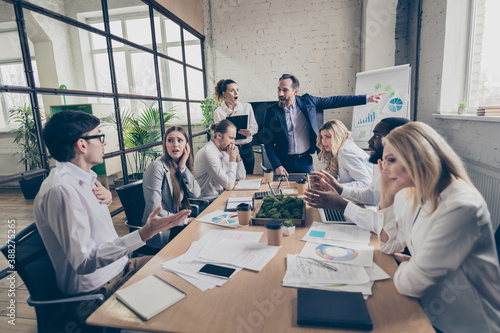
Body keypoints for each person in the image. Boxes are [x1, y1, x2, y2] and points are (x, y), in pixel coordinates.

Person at [34, 111, 191, 329]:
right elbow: (83, 261)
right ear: (82, 144)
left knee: (185, 272)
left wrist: (107, 201)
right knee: (176, 316)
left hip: (122, 269)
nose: (104, 142)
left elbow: (92, 228)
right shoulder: (62, 190)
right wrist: (145, 233)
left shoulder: (86, 179)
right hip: (97, 292)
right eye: (99, 136)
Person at [378, 122, 500, 332]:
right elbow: (389, 246)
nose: (384, 168)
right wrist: (387, 196)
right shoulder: (417, 195)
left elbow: (412, 284)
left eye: (391, 160)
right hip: (431, 310)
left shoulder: (460, 207)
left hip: (465, 324)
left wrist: (413, 265)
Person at [262, 74, 385, 176]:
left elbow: (335, 101)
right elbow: (267, 142)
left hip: (304, 160)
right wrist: (277, 165)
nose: (280, 94)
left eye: (285, 90)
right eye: (279, 89)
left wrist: (367, 99)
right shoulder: (271, 111)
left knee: (308, 192)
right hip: (283, 162)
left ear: (295, 91)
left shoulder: (308, 102)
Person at [304, 117, 410, 233]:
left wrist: (340, 204)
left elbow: (387, 229)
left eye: (377, 137)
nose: (369, 141)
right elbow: (371, 194)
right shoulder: (380, 163)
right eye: (322, 137)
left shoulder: (406, 182)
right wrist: (337, 187)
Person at [141, 126, 201, 249]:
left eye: (180, 140)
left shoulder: (180, 166)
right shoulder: (156, 167)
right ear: (165, 145)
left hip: (175, 224)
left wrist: (183, 167)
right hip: (162, 231)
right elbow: (154, 210)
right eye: (170, 140)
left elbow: (196, 193)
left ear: (186, 145)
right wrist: (183, 221)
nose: (175, 145)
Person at [213, 79, 258, 174]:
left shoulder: (247, 107)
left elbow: (255, 126)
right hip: (230, 149)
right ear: (224, 94)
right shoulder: (218, 112)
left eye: (237, 90)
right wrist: (229, 121)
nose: (236, 93)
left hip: (247, 148)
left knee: (248, 175)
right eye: (232, 90)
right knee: (232, 176)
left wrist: (250, 132)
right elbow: (219, 136)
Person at [194, 119, 246, 201]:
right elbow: (229, 185)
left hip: (221, 196)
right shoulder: (207, 153)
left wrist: (237, 156)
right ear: (219, 136)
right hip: (207, 202)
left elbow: (241, 176)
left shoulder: (225, 150)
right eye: (231, 138)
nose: (233, 143)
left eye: (234, 139)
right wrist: (232, 158)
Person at [317, 119, 372, 188]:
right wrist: (328, 182)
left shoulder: (346, 152)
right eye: (322, 137)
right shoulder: (344, 148)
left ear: (338, 136)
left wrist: (334, 186)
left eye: (328, 137)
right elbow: (349, 180)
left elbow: (365, 183)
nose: (323, 141)